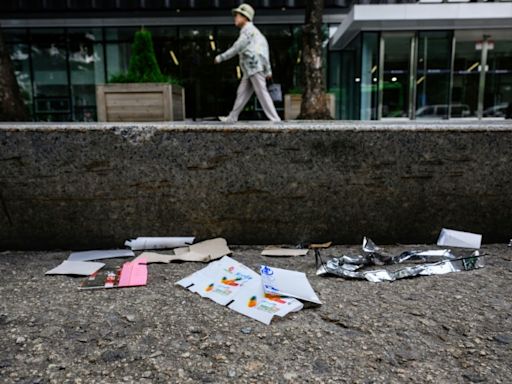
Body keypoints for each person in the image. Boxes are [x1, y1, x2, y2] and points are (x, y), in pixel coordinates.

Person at [214, 3, 281, 122]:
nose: (235, 18)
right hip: (250, 68)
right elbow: (265, 49)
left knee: (262, 93)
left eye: (238, 15)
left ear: (245, 17)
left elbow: (236, 48)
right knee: (242, 93)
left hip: (254, 67)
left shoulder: (247, 32)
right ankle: (232, 117)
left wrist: (221, 57)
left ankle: (275, 119)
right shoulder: (254, 32)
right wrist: (268, 69)